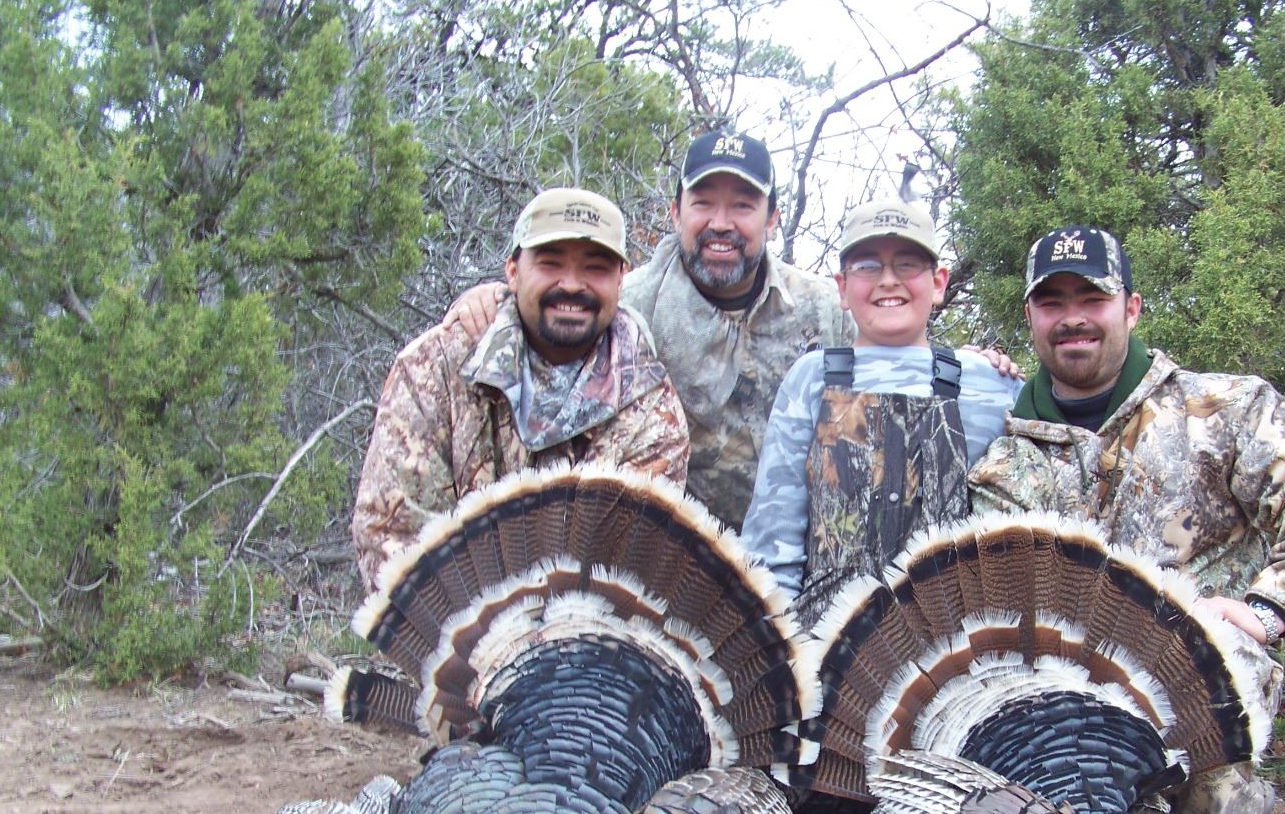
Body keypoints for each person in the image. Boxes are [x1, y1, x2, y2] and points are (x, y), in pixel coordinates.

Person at [969, 226, 1285, 814]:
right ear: (1030, 317)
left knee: (1220, 651)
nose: (1072, 318)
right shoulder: (1008, 456)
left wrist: (1269, 608)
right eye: (1052, 302)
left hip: (1189, 682)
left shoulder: (1225, 409)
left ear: (1131, 307)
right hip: (1067, 694)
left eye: (1092, 298)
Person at [445, 131, 850, 526]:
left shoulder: (828, 311)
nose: (721, 223)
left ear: (773, 218)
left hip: (799, 545)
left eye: (742, 206)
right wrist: (496, 301)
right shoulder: (624, 305)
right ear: (675, 213)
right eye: (703, 203)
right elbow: (549, 305)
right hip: (675, 548)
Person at [352, 187, 688, 588]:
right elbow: (392, 535)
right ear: (512, 271)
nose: (571, 284)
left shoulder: (652, 407)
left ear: (621, 279)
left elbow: (635, 569)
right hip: (454, 620)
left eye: (595, 268)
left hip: (588, 624)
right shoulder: (435, 367)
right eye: (550, 263)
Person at [740, 199, 1018, 621]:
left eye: (907, 264)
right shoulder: (810, 379)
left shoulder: (992, 385)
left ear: (939, 283)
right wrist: (781, 646)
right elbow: (771, 548)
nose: (888, 280)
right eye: (868, 266)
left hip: (952, 648)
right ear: (842, 287)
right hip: (824, 643)